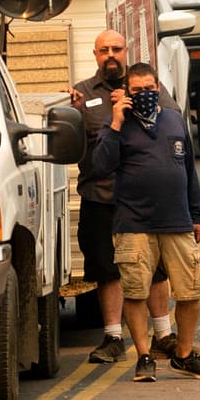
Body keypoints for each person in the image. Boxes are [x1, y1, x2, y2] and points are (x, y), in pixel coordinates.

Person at [93, 62, 200, 382]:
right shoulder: (116, 124)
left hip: (176, 223)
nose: (145, 95)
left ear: (159, 87)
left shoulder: (175, 120)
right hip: (134, 225)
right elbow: (102, 165)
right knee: (135, 293)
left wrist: (196, 215)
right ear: (127, 92)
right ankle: (144, 356)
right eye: (137, 91)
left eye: (150, 89)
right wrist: (117, 121)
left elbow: (189, 169)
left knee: (190, 292)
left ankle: (185, 355)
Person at [69, 29, 184, 364]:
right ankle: (112, 336)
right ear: (94, 54)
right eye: (103, 49)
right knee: (109, 270)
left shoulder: (147, 89)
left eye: (116, 49)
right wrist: (73, 111)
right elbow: (75, 145)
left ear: (126, 51)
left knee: (156, 268)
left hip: (142, 199)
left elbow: (173, 126)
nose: (110, 55)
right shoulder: (83, 94)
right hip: (100, 198)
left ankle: (163, 334)